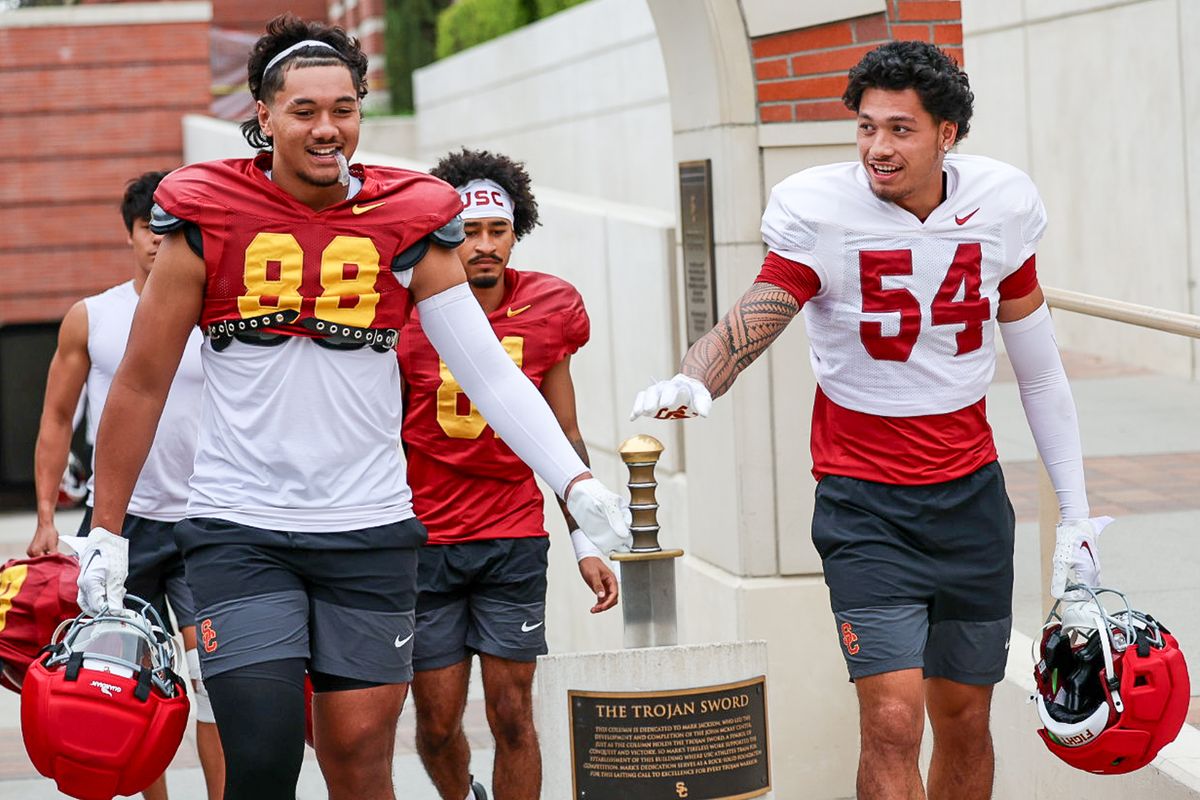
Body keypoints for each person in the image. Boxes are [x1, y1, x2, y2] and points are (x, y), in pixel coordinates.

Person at [74, 15, 631, 800]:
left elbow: (493, 376)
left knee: (360, 761)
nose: (327, 127)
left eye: (344, 108)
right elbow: (140, 381)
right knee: (262, 756)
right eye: (303, 110)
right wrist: (106, 529)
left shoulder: (411, 219)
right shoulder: (205, 215)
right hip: (241, 524)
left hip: (369, 528)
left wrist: (575, 482)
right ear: (263, 117)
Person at [631, 41, 1110, 800]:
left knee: (966, 718)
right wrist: (698, 379)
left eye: (899, 129)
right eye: (864, 127)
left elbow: (1042, 372)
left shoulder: (1003, 202)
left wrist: (1077, 520)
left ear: (947, 133)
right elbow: (760, 308)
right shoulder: (820, 209)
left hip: (970, 500)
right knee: (891, 718)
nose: (876, 149)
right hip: (866, 505)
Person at [399, 149, 620, 800]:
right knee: (437, 724)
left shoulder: (549, 305)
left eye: (498, 230)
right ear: (444, 233)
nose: (485, 245)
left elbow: (564, 431)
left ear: (516, 230)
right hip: (426, 541)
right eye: (468, 230)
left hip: (511, 536)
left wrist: (585, 542)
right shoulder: (406, 313)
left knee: (512, 713)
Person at [26, 171, 225, 800]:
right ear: (131, 233)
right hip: (119, 525)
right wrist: (44, 519)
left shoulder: (218, 317)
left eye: (173, 231)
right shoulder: (93, 318)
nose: (160, 243)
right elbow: (57, 419)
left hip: (202, 523)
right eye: (150, 230)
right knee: (117, 679)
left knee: (213, 682)